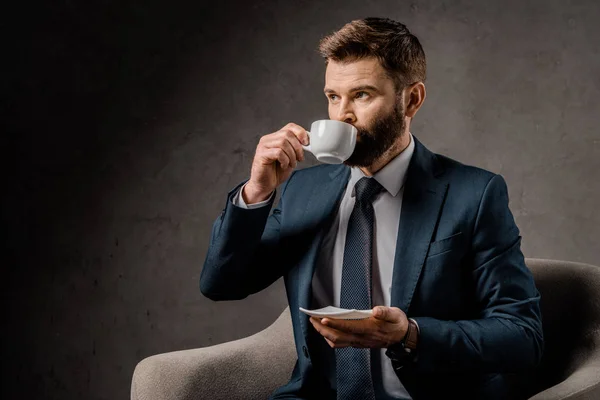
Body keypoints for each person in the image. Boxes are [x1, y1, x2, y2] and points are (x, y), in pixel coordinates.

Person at [200, 17, 543, 400]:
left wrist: (410, 333)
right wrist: (257, 190)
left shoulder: (474, 194)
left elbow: (522, 336)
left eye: (361, 95)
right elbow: (221, 284)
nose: (342, 114)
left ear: (411, 99)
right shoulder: (303, 191)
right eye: (333, 96)